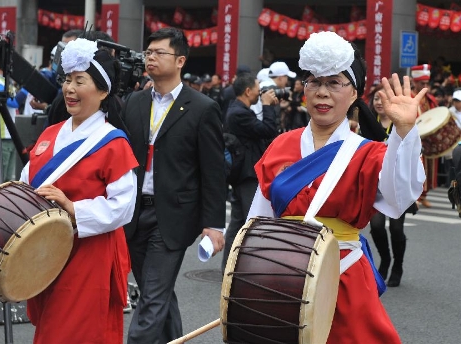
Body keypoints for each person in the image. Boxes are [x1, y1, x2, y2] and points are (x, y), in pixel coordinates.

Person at [247, 31, 426, 343]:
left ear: (354, 93)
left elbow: (400, 199)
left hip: (342, 275)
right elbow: (258, 222)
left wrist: (404, 132)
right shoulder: (280, 145)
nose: (322, 92)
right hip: (281, 278)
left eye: (334, 83)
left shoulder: (371, 154)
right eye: (314, 81)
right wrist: (249, 280)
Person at [19, 37, 138, 343]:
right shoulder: (50, 133)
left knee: (73, 331)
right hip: (48, 251)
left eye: (80, 81)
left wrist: (73, 208)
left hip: (90, 253)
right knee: (49, 326)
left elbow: (123, 206)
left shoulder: (114, 142)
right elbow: (26, 180)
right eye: (67, 80)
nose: (70, 89)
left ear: (102, 91)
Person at [120, 27, 226, 343]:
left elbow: (213, 170)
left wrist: (214, 224)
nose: (150, 57)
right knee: (159, 291)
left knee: (152, 296)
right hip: (135, 213)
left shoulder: (202, 107)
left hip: (173, 217)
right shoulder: (134, 102)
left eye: (159, 52)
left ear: (180, 60)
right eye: (148, 52)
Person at [221, 72, 278, 272]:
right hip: (245, 176)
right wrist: (269, 106)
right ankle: (245, 268)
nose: (259, 91)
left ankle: (230, 267)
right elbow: (268, 129)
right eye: (257, 87)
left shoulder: (238, 110)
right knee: (251, 222)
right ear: (247, 91)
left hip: (243, 174)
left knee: (238, 221)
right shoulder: (239, 113)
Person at [368, 83, 414, 288]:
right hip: (374, 183)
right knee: (376, 227)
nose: (379, 102)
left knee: (396, 229)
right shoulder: (366, 122)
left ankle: (398, 266)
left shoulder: (401, 122)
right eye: (376, 98)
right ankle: (385, 260)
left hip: (397, 183)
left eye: (383, 98)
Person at [411, 64, 438, 208]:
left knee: (428, 167)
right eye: (422, 83)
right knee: (413, 167)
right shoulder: (408, 97)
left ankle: (423, 195)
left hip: (427, 139)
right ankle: (414, 196)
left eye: (427, 83)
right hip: (413, 138)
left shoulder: (430, 99)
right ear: (414, 82)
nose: (425, 86)